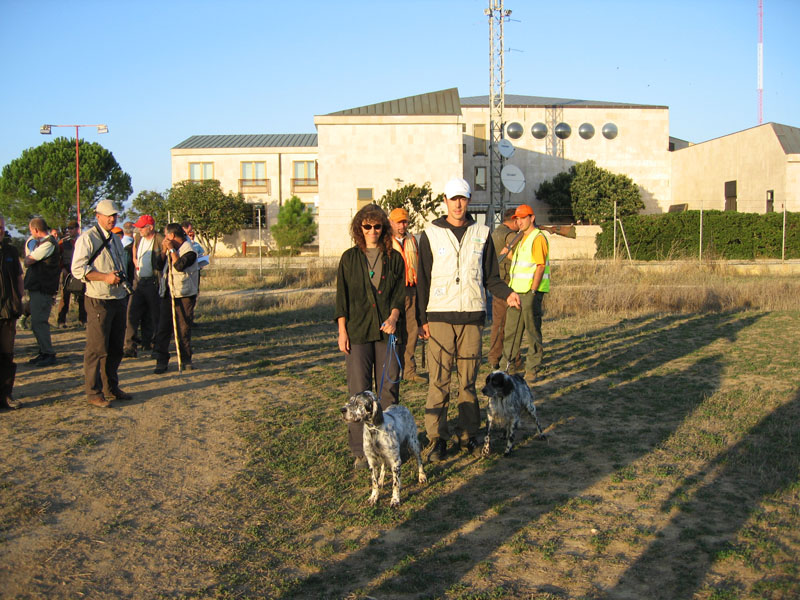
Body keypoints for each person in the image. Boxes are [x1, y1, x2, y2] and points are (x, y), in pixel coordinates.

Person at [417, 178, 520, 461]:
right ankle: (437, 438)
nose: (458, 204)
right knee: (438, 381)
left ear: (469, 199)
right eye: (453, 199)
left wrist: (508, 293)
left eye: (462, 198)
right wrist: (421, 319)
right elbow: (423, 279)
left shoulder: (482, 233)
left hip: (472, 317)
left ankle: (468, 435)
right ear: (445, 201)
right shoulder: (430, 233)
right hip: (438, 316)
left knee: (468, 382)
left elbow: (491, 278)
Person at [335, 204, 406, 469]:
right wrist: (342, 331)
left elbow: (400, 293)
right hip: (357, 333)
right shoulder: (349, 258)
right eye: (367, 226)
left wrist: (394, 317)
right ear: (359, 228)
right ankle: (361, 452)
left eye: (377, 226)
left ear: (384, 228)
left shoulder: (395, 258)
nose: (373, 231)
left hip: (387, 333)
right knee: (358, 393)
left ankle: (390, 445)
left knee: (388, 392)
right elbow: (341, 298)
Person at [71, 199, 132, 408]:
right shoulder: (87, 239)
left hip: (117, 298)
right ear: (98, 217)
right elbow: (77, 270)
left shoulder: (115, 238)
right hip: (98, 299)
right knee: (97, 349)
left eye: (114, 215)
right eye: (108, 215)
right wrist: (105, 277)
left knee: (116, 347)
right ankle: (93, 392)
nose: (112, 218)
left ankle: (111, 387)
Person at [501, 204, 550, 385]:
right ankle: (507, 367)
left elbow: (540, 266)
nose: (519, 221)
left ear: (532, 217)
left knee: (532, 332)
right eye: (517, 219)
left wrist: (533, 291)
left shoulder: (537, 238)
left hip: (530, 292)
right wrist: (508, 254)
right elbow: (520, 262)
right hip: (516, 291)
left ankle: (532, 369)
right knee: (511, 331)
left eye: (523, 218)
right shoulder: (521, 238)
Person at [153, 223, 199, 374]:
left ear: (172, 236)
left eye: (166, 235)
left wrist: (172, 250)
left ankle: (185, 359)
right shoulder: (168, 249)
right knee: (163, 328)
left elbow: (179, 266)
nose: (165, 238)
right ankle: (161, 360)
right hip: (168, 292)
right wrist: (164, 251)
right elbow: (159, 266)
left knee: (183, 328)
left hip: (184, 294)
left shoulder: (190, 251)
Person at [388, 207, 425, 384]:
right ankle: (391, 368)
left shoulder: (413, 240)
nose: (403, 225)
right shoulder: (385, 241)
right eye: (399, 222)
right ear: (391, 222)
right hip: (391, 292)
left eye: (405, 222)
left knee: (412, 330)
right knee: (393, 331)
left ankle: (409, 371)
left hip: (411, 290)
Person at [123, 215, 163, 357]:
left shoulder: (159, 240)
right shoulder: (139, 238)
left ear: (150, 227)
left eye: (141, 227)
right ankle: (130, 347)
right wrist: (135, 259)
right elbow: (134, 248)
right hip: (138, 281)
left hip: (153, 282)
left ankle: (154, 344)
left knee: (154, 315)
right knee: (132, 313)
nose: (138, 229)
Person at [23, 217, 60, 367]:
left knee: (39, 322)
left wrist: (28, 256)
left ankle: (48, 353)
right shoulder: (45, 243)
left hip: (43, 288)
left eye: (31, 230)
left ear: (36, 230)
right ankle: (44, 351)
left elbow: (28, 260)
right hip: (39, 286)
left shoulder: (48, 244)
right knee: (37, 322)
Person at [487, 207, 521, 370]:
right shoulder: (511, 235)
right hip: (508, 282)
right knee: (510, 324)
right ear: (514, 221)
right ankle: (510, 358)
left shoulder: (495, 233)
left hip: (497, 282)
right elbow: (517, 255)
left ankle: (496, 357)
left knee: (498, 323)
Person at [0, 216, 24, 410]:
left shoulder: (11, 251)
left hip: (8, 311)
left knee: (7, 356)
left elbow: (18, 277)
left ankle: (6, 395)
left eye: (1, 227)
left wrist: (19, 300)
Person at [56, 221, 87, 328]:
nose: (70, 230)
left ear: (77, 229)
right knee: (65, 297)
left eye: (72, 228)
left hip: (80, 272)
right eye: (68, 228)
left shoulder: (83, 241)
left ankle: (83, 320)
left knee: (82, 296)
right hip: (67, 272)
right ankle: (61, 321)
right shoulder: (63, 243)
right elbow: (58, 257)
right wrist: (62, 268)